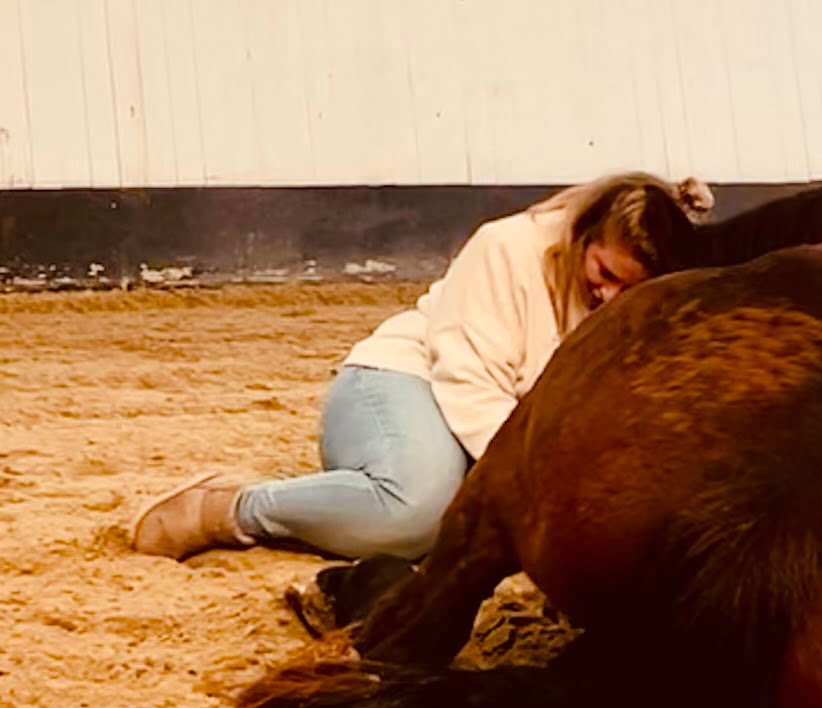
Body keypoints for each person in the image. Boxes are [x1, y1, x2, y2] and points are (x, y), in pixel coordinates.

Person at [130, 172, 713, 562]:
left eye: (628, 288)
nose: (610, 297)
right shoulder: (508, 247)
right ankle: (231, 508)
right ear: (581, 236)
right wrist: (549, 483)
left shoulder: (638, 301)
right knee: (414, 516)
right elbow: (468, 380)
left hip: (494, 426)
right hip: (403, 381)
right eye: (604, 274)